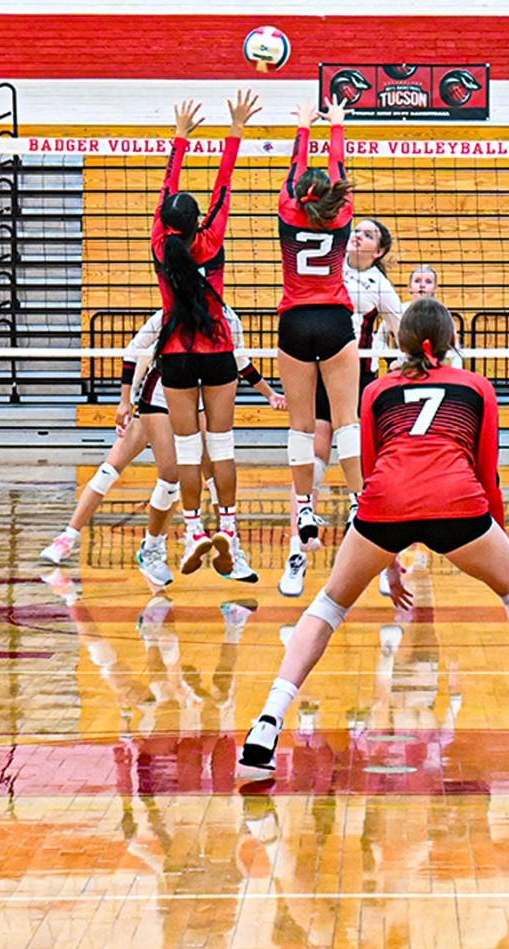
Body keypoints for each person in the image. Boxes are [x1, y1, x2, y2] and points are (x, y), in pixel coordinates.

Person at [239, 299, 509, 774]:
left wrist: (387, 558)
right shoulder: (476, 388)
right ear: (451, 342)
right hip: (458, 503)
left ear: (397, 342)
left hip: (384, 507)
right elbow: (487, 475)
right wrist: (498, 542)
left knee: (328, 605)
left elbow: (370, 476)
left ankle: (266, 723)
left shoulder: (377, 392)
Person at [40, 305, 285, 584]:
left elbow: (240, 360)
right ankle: (68, 536)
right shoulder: (169, 313)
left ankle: (225, 546)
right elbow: (134, 351)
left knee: (213, 472)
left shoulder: (227, 317)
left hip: (199, 399)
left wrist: (270, 394)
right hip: (157, 396)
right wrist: (125, 401)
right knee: (128, 470)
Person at [150, 90, 260, 578]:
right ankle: (229, 533)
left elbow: (166, 189)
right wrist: (234, 129)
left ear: (167, 225)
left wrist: (179, 139)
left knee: (188, 450)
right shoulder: (210, 236)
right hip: (218, 352)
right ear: (197, 223)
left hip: (175, 355)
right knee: (224, 447)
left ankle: (194, 529)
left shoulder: (159, 243)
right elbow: (224, 183)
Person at [280, 216, 404, 597]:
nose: (358, 237)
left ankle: (386, 562)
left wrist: (400, 368)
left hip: (359, 382)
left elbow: (404, 335)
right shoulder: (327, 265)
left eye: (368, 235)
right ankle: (296, 553)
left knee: (370, 469)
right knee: (311, 457)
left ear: (379, 251)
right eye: (357, 231)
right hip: (316, 376)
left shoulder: (380, 287)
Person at [276, 97, 362, 552]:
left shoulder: (287, 211)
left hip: (294, 321)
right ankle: (356, 501)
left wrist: (304, 128)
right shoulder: (343, 215)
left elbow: (295, 173)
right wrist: (336, 126)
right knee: (347, 423)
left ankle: (305, 508)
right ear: (331, 195)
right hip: (334, 319)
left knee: (301, 428)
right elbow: (340, 170)